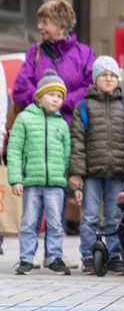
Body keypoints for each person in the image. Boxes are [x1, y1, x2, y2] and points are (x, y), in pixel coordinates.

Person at [69, 56, 124, 275]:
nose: (108, 79)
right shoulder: (83, 107)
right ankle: (88, 256)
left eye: (112, 75)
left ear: (118, 79)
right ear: (95, 79)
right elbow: (77, 141)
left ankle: (115, 255)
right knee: (89, 216)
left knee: (114, 216)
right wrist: (77, 173)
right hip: (91, 172)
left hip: (117, 172)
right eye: (103, 75)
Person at [8, 71, 71, 275]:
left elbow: (67, 154)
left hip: (55, 184)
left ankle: (54, 257)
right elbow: (15, 149)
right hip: (32, 182)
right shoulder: (24, 119)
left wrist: (69, 180)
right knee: (29, 222)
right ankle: (26, 258)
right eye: (51, 94)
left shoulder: (61, 123)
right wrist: (16, 178)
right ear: (39, 97)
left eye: (60, 96)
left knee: (55, 223)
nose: (56, 99)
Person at [13, 0, 95, 125]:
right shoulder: (34, 52)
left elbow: (91, 88)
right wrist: (44, 101)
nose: (39, 26)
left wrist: (62, 101)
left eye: (45, 22)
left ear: (61, 27)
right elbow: (21, 88)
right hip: (38, 129)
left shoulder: (85, 53)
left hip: (73, 131)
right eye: (39, 21)